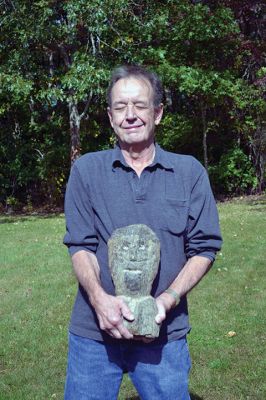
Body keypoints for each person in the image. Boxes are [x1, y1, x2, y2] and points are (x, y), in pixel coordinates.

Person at [63, 65, 222, 400]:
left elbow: (205, 247)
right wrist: (100, 300)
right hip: (94, 336)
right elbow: (80, 245)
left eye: (140, 106)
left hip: (164, 337)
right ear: (110, 116)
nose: (130, 115)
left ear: (158, 113)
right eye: (120, 107)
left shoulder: (189, 172)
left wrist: (168, 300)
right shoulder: (86, 171)